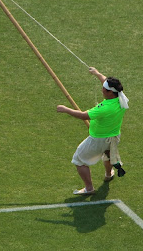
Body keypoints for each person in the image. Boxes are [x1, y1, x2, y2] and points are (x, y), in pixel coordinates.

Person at [56, 67, 129, 195]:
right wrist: (97, 74)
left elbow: (84, 115)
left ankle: (89, 188)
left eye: (104, 89)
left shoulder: (105, 108)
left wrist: (65, 109)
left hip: (98, 139)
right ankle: (108, 174)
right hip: (114, 136)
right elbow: (106, 81)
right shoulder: (121, 98)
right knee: (108, 155)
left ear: (110, 93)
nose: (102, 89)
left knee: (78, 160)